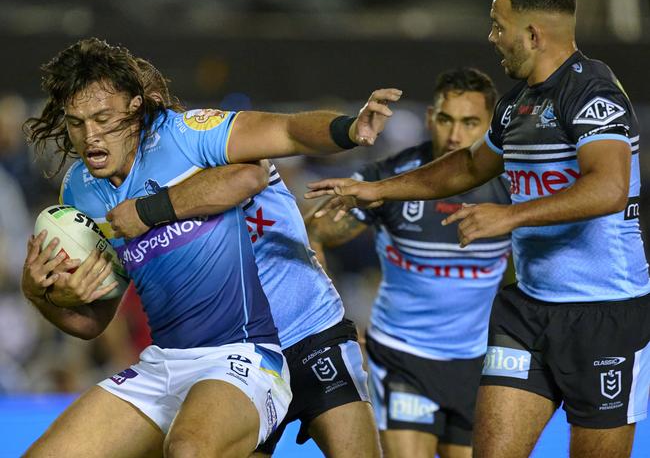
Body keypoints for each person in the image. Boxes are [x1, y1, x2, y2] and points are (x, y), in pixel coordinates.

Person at [306, 0, 650, 457]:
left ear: (532, 34)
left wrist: (510, 217)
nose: (491, 38)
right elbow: (467, 166)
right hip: (527, 309)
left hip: (604, 313)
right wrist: (377, 190)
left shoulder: (593, 95)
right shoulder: (516, 105)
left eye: (497, 25)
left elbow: (609, 187)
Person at [20, 37, 400, 457]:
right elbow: (95, 318)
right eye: (78, 121)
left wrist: (349, 128)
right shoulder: (83, 189)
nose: (91, 134)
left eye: (105, 116)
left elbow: (268, 154)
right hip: (188, 358)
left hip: (304, 333)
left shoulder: (194, 137)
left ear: (139, 105)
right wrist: (43, 292)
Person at [105, 57, 381, 457]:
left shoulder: (218, 142)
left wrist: (348, 129)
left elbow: (290, 130)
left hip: (311, 333)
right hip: (237, 360)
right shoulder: (132, 195)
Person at [307, 68, 511, 458]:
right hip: (402, 358)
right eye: (446, 119)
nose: (455, 135)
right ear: (430, 118)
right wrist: (330, 327)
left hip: (477, 362)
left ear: (490, 125)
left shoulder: (510, 186)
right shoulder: (389, 179)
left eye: (470, 123)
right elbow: (313, 232)